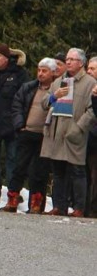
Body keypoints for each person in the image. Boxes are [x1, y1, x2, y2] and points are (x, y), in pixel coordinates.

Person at [40, 48, 97, 217]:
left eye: (72, 59)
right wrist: (53, 96)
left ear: (81, 63)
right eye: (67, 59)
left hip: (74, 134)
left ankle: (79, 207)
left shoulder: (90, 83)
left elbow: (92, 110)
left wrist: (79, 128)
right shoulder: (58, 82)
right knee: (58, 172)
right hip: (57, 133)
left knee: (77, 171)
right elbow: (44, 103)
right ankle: (59, 206)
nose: (69, 62)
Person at [0, 58, 56, 214]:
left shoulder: (57, 90)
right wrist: (19, 126)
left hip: (44, 136)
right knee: (19, 168)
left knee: (39, 172)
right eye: (39, 70)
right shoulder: (28, 87)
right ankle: (12, 200)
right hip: (26, 132)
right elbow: (16, 105)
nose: (40, 73)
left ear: (53, 73)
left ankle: (36, 204)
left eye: (44, 71)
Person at [0, 43, 29, 203]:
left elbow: (25, 98)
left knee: (13, 159)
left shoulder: (19, 74)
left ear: (6, 58)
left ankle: (13, 191)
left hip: (12, 123)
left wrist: (21, 120)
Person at [87, 57, 97, 217]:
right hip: (91, 139)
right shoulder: (92, 88)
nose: (89, 72)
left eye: (93, 69)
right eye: (88, 68)